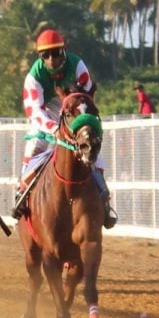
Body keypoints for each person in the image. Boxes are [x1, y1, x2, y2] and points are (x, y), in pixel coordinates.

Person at [13, 28, 117, 228]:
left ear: (64, 50)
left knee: (92, 147)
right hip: (46, 113)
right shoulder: (33, 77)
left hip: (73, 110)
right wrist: (54, 130)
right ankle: (21, 193)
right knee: (35, 145)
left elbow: (87, 98)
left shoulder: (77, 65)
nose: (52, 59)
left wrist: (82, 123)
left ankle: (105, 201)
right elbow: (34, 112)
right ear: (40, 57)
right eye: (46, 55)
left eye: (56, 52)